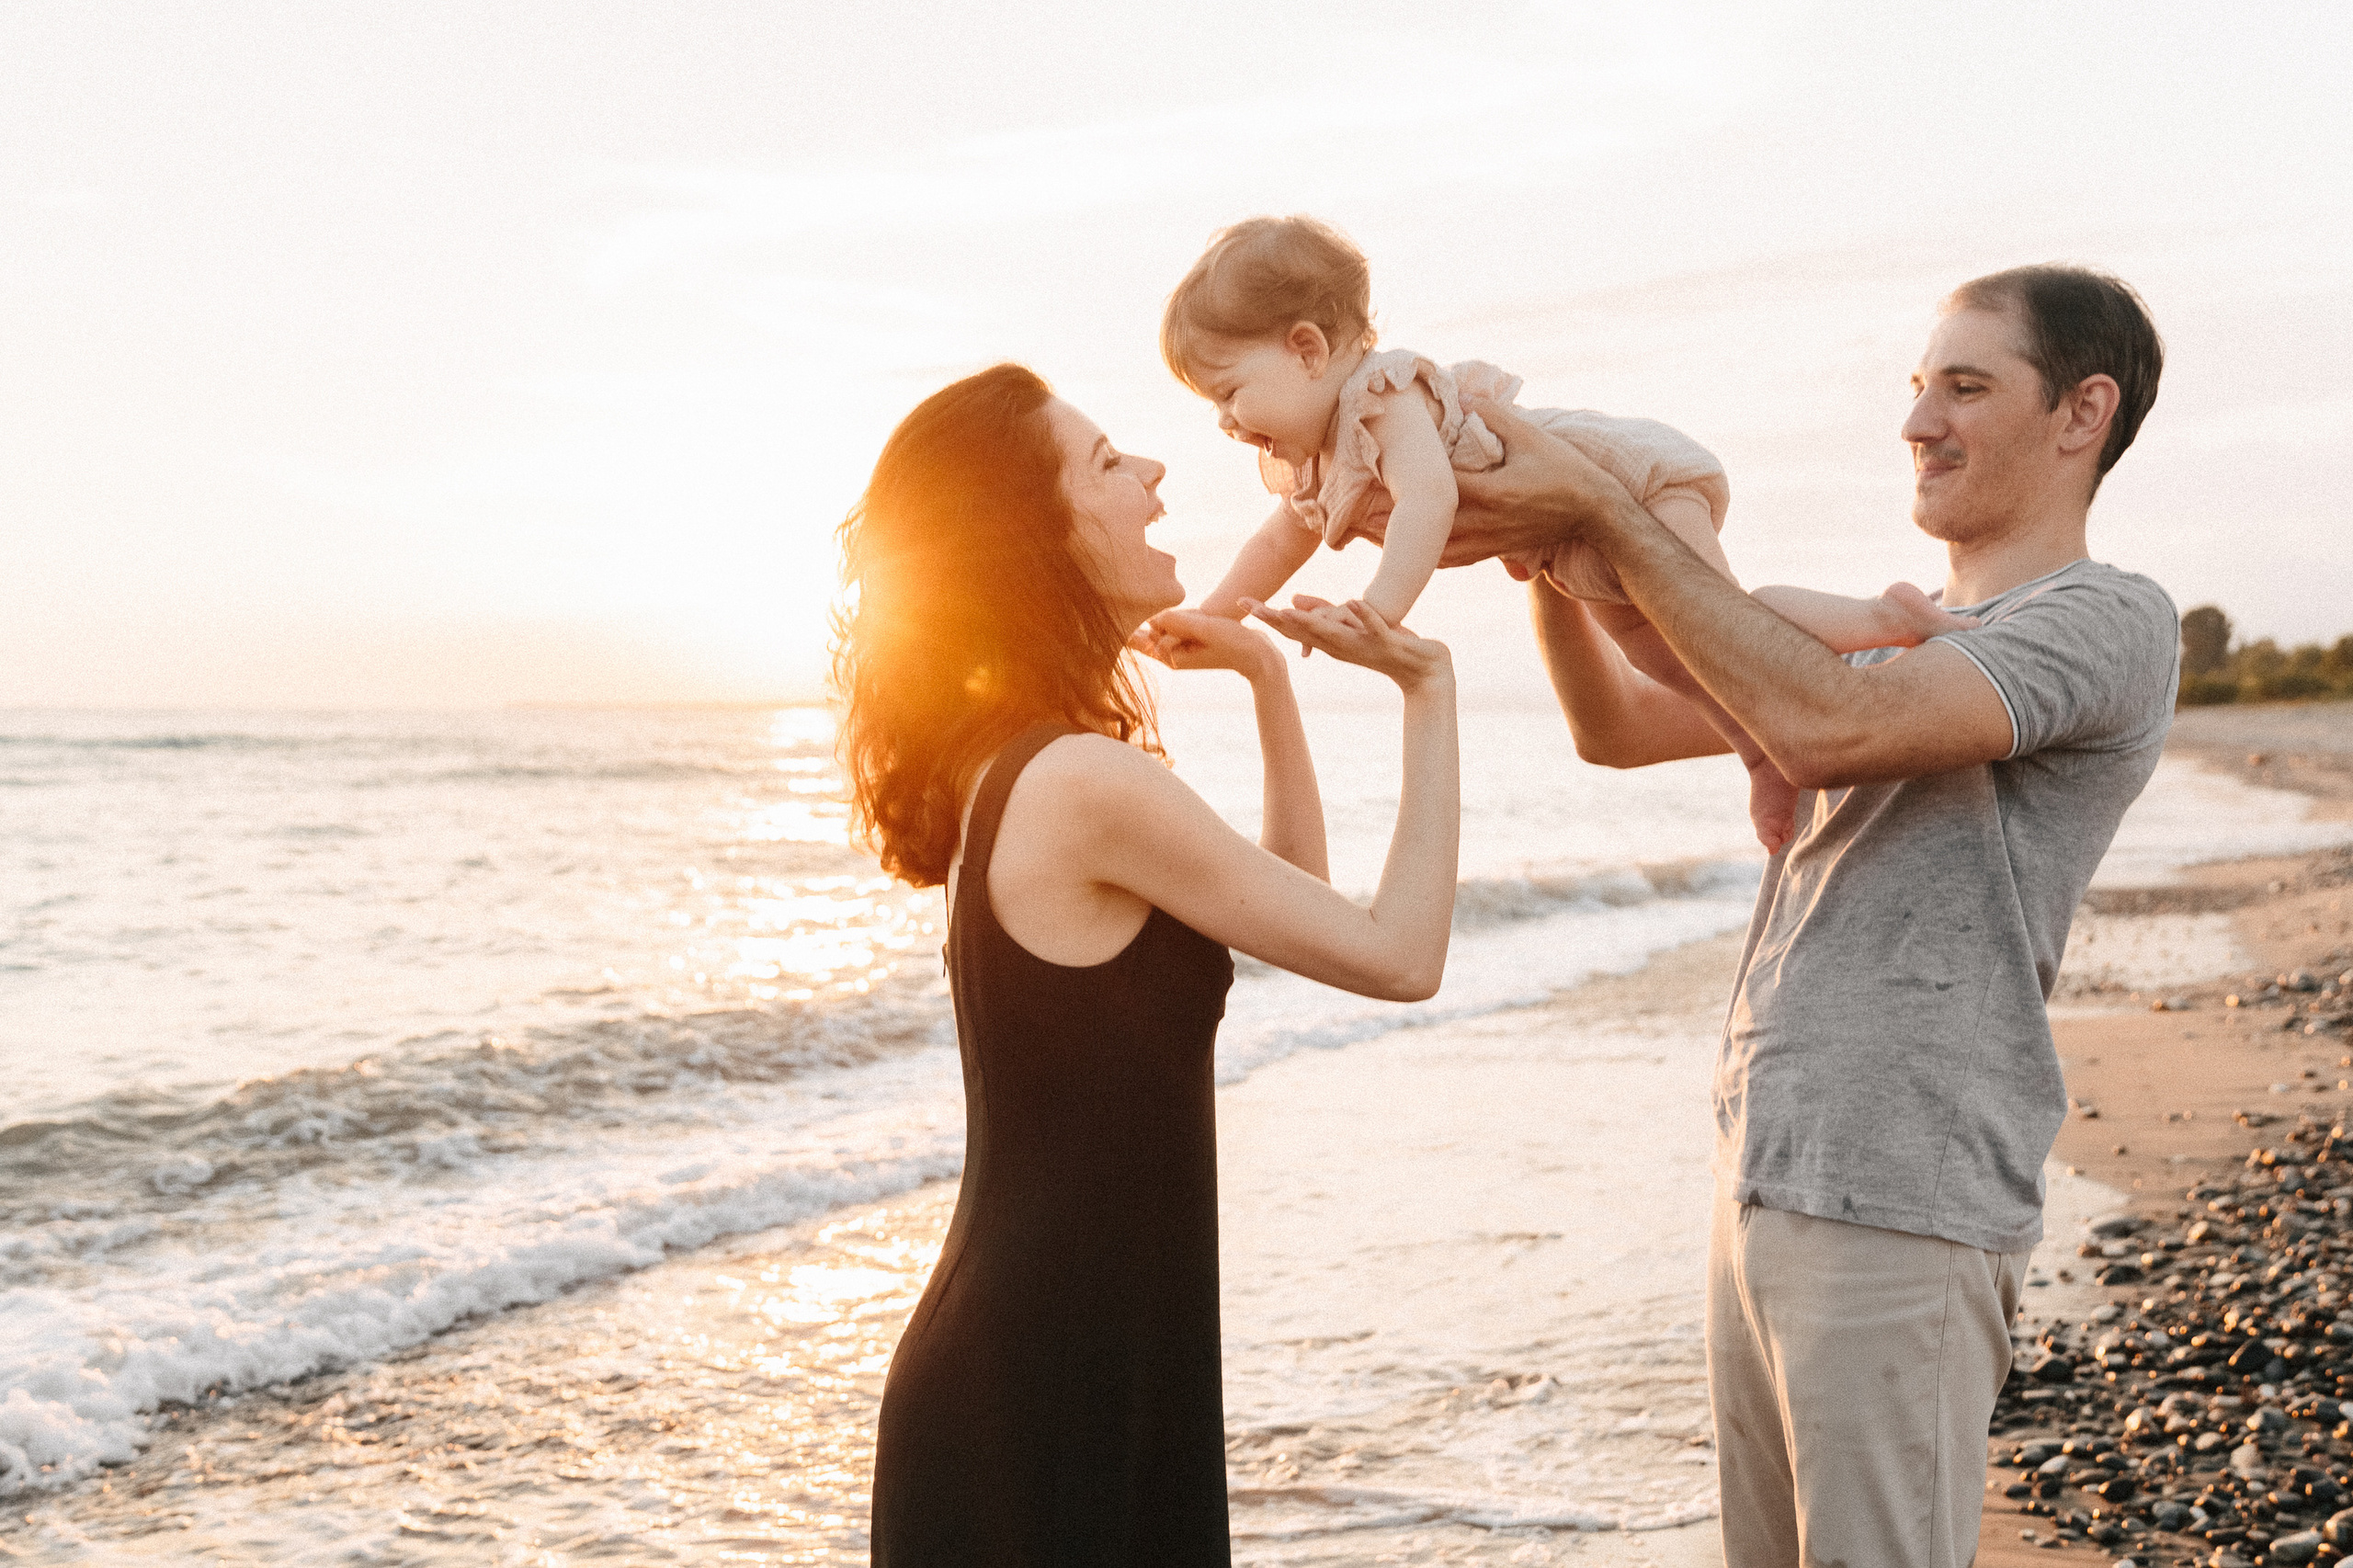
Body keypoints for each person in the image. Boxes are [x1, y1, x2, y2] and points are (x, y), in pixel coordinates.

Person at [1438, 265, 2177, 1567]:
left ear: (2082, 413)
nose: (1918, 422)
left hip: (1905, 1180)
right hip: (1769, 1164)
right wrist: (1552, 559)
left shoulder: (2104, 617)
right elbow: (1613, 726)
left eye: (1966, 384)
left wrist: (1612, 508)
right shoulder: (1885, 636)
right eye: (1916, 386)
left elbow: (1829, 730)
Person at [832, 363, 1460, 1565]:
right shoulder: (1078, 782)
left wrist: (1272, 680)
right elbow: (1400, 954)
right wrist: (1427, 690)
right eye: (1110, 462)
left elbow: (1303, 907)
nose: (1158, 472)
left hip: (1075, 1364)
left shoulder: (1035, 767)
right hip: (1041, 1398)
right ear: (1038, 534)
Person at [1159, 214, 1974, 852]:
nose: (1226, 423)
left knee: (1729, 621)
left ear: (1306, 349)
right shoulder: (1317, 460)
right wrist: (1217, 613)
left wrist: (1380, 610)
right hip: (1569, 545)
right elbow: (1277, 544)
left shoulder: (1384, 395)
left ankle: (1884, 616)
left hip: (1628, 483)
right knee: (1666, 655)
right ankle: (1759, 752)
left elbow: (1427, 502)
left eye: (1229, 393)